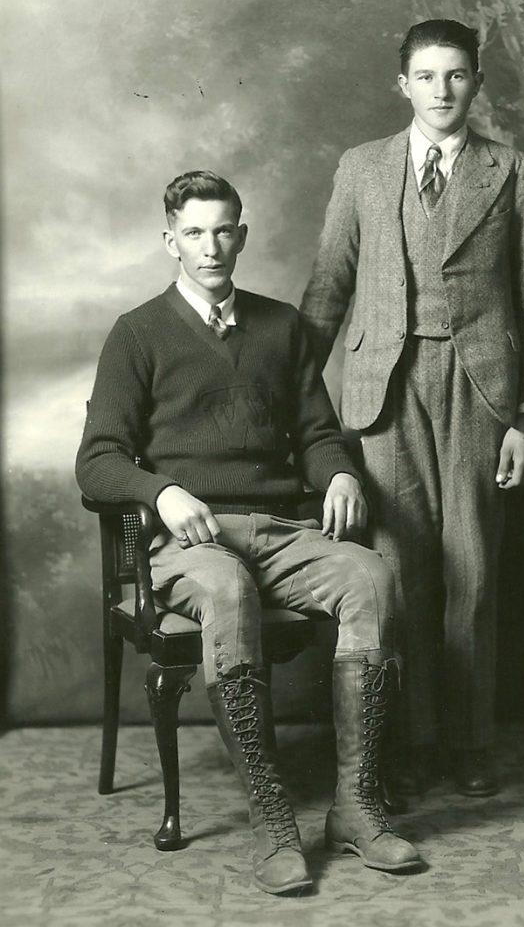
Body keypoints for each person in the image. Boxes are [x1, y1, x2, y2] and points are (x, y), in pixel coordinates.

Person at [76, 170, 421, 896]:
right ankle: (274, 823)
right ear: (170, 240)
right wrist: (161, 491)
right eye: (195, 233)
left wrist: (339, 474)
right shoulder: (137, 333)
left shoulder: (281, 326)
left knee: (373, 576)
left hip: (279, 531)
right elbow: (98, 461)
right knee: (227, 587)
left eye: (224, 229)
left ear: (243, 232)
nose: (212, 247)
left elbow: (318, 431)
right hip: (189, 545)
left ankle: (356, 810)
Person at [299, 19, 524, 799]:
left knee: (473, 572)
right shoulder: (362, 168)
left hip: (482, 390)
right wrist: (288, 395)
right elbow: (327, 286)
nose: (441, 91)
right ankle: (407, 741)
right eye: (426, 76)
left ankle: (469, 742)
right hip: (382, 389)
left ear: (477, 81)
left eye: (456, 76)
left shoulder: (508, 169)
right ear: (402, 84)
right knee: (397, 575)